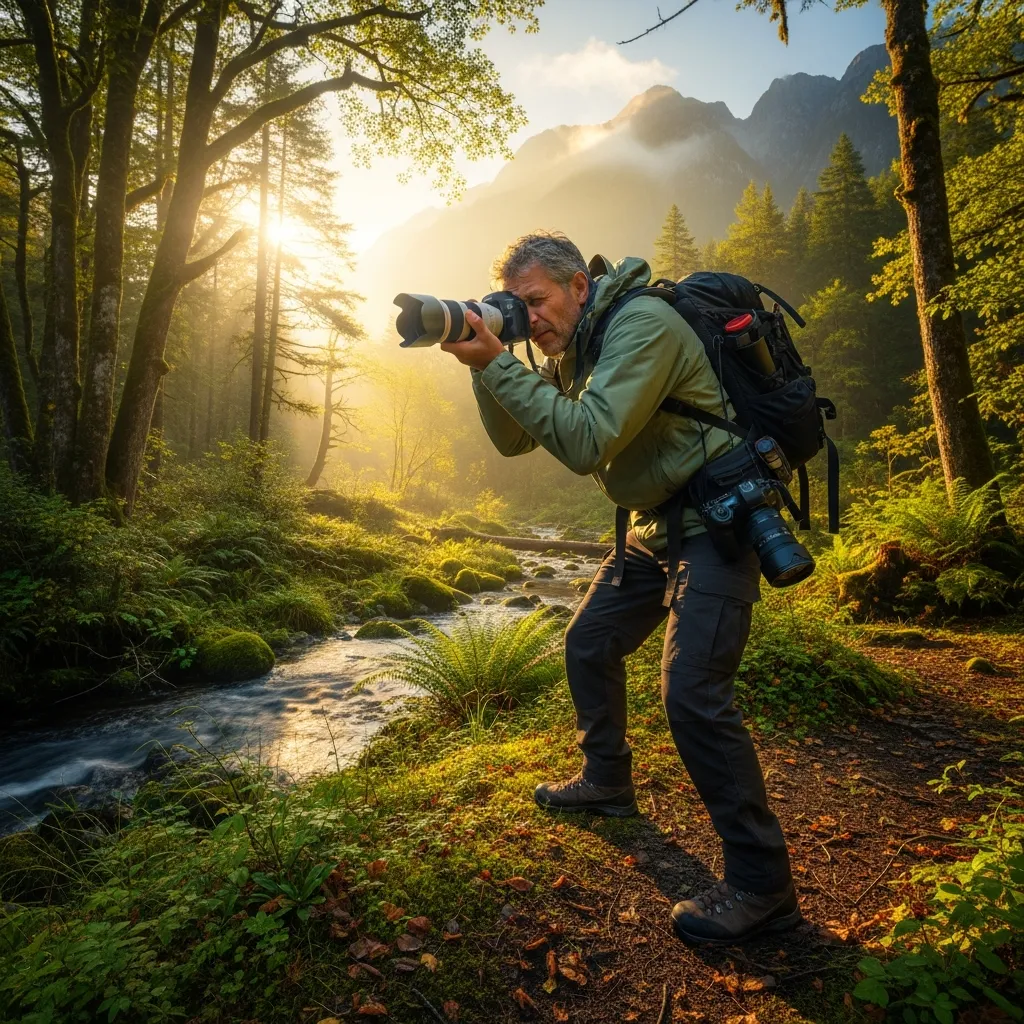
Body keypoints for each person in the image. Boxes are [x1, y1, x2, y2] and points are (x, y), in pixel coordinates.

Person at [438, 231, 799, 946]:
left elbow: (583, 441)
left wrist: (498, 366)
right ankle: (607, 781)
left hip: (720, 518)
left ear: (579, 284)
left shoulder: (639, 323)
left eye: (535, 301)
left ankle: (764, 888)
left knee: (691, 694)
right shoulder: (574, 345)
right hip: (654, 524)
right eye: (517, 306)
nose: (529, 317)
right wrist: (487, 362)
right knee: (588, 643)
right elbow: (515, 441)